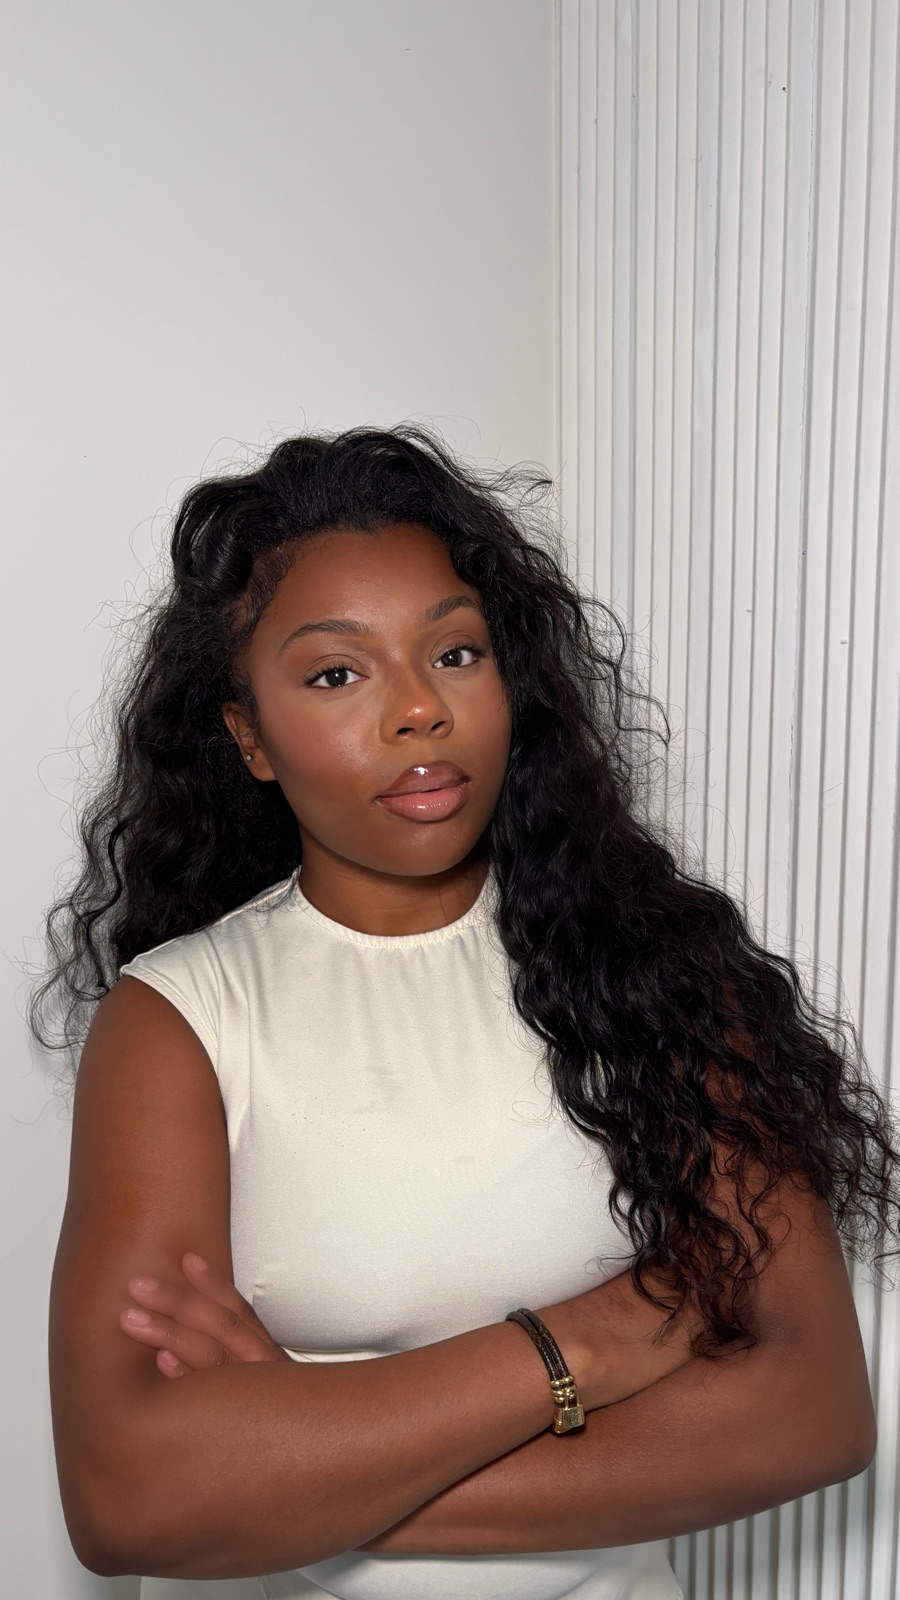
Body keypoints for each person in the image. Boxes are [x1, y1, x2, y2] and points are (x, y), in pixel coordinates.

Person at [34, 426, 898, 1600]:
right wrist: (582, 1342)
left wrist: (298, 1462)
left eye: (455, 651)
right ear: (250, 737)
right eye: (336, 674)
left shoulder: (664, 980)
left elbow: (814, 1413)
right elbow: (131, 1499)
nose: (417, 710)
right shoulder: (178, 1021)